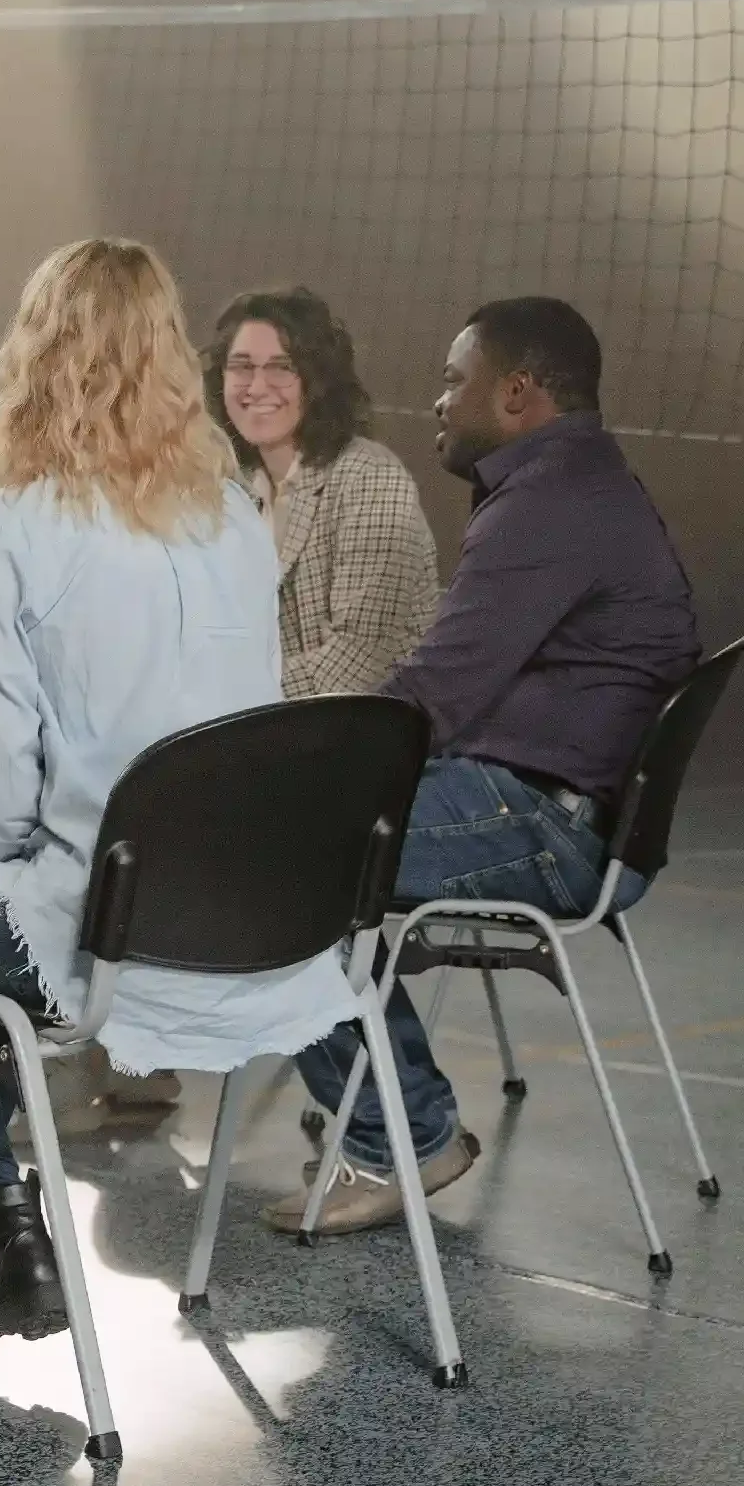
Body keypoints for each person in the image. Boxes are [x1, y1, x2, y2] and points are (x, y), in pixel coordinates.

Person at [0, 240, 354, 1367]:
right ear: (170, 358)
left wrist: (1, 853)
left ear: (33, 358)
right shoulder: (232, 522)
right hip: (264, 933)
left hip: (111, 940)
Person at [271, 296, 700, 1235]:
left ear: (517, 392)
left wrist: (288, 765)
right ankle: (393, 1112)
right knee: (298, 837)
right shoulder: (579, 481)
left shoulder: (548, 503)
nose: (437, 400)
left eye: (453, 379)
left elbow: (431, 698)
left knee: (277, 865)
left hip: (543, 824)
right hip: (557, 805)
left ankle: (402, 1137)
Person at [205, 286, 439, 698]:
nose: (256, 387)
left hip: (360, 738)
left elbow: (354, 665)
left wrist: (213, 695)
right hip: (262, 731)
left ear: (318, 381)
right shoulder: (227, 486)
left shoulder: (373, 481)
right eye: (240, 366)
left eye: (281, 368)